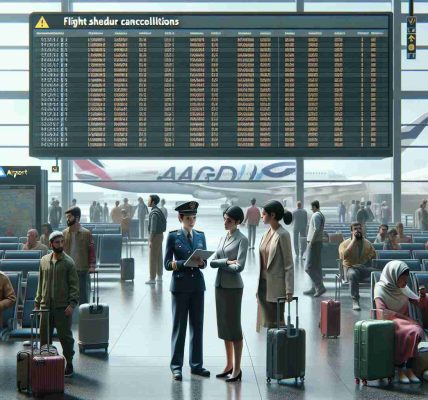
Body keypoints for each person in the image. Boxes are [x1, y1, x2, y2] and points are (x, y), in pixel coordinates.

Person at [164, 201, 210, 381]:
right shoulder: (173, 237)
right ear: (180, 218)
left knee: (197, 327)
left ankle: (196, 365)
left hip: (198, 287)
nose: (192, 221)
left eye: (194, 218)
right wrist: (185, 263)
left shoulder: (200, 236)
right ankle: (176, 366)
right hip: (180, 287)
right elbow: (167, 264)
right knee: (179, 327)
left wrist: (202, 262)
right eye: (189, 218)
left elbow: (204, 263)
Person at [210, 206, 248, 382]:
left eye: (229, 220)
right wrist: (226, 261)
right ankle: (229, 364)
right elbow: (212, 262)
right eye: (224, 218)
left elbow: (239, 267)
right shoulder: (223, 237)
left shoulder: (243, 240)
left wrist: (222, 263)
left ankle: (238, 368)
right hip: (220, 285)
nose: (225, 222)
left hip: (233, 287)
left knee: (234, 328)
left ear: (238, 222)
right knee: (224, 326)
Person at [34, 231, 79, 377]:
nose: (60, 245)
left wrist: (72, 305)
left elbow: (74, 286)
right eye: (57, 242)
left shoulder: (68, 262)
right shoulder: (44, 261)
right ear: (51, 244)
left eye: (61, 242)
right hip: (45, 306)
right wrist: (37, 303)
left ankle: (69, 362)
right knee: (44, 337)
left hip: (62, 307)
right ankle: (46, 363)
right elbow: (41, 283)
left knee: (65, 337)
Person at [374, 260, 425, 384]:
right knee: (409, 331)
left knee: (417, 330)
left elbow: (418, 302)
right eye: (402, 279)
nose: (405, 282)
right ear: (393, 277)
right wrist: (402, 318)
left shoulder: (403, 288)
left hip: (405, 321)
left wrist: (422, 297)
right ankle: (400, 368)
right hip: (390, 321)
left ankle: (409, 368)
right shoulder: (380, 288)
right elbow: (381, 312)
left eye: (406, 279)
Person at [257, 200, 294, 329]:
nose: (262, 216)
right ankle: (271, 349)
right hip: (263, 286)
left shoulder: (283, 235)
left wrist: (289, 290)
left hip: (276, 287)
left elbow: (289, 264)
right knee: (267, 325)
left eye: (264, 214)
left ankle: (278, 349)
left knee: (276, 324)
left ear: (272, 215)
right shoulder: (265, 234)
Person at [339, 222, 377, 310]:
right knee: (353, 274)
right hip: (349, 268)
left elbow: (373, 254)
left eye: (359, 228)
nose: (358, 231)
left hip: (362, 268)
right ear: (351, 232)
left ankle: (378, 299)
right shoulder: (344, 244)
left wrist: (366, 258)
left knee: (378, 273)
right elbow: (344, 256)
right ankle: (355, 300)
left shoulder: (367, 243)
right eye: (355, 229)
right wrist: (353, 241)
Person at [62, 207, 96, 305]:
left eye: (69, 217)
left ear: (77, 218)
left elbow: (91, 251)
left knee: (83, 297)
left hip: (81, 269)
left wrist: (92, 266)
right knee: (66, 298)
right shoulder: (64, 233)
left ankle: (83, 318)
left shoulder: (86, 233)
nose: (67, 219)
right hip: (67, 270)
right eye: (67, 217)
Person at [303, 200, 326, 297]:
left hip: (314, 243)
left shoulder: (316, 215)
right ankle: (314, 288)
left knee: (308, 268)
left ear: (315, 207)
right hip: (318, 242)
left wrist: (312, 241)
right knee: (316, 267)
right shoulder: (321, 215)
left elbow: (316, 229)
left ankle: (319, 287)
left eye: (312, 207)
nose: (311, 209)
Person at [147, 195, 167, 284]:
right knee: (159, 256)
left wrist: (150, 240)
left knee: (153, 257)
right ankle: (159, 276)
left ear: (153, 202)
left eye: (149, 200)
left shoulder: (154, 213)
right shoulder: (158, 211)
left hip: (155, 236)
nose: (148, 201)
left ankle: (152, 278)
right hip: (160, 235)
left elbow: (153, 229)